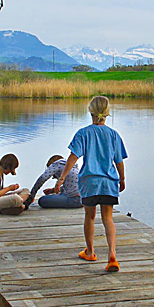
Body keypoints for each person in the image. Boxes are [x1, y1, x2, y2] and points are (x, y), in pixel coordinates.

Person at [55, 96, 127, 272]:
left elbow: (73, 157)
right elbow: (119, 161)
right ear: (107, 112)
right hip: (109, 181)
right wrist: (122, 178)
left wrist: (62, 178)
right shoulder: (113, 135)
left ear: (90, 111)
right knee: (108, 218)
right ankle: (112, 256)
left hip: (89, 182)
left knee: (90, 217)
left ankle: (90, 251)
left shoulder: (83, 133)